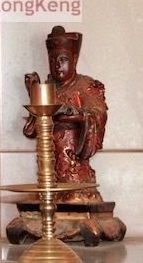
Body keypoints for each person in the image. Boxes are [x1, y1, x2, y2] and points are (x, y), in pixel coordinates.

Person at [25, 25, 107, 203]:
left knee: (74, 195)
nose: (57, 65)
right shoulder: (47, 88)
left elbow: (97, 113)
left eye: (63, 59)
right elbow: (31, 131)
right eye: (52, 60)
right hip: (49, 159)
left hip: (73, 157)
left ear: (74, 59)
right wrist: (35, 94)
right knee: (49, 191)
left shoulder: (85, 85)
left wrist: (75, 113)